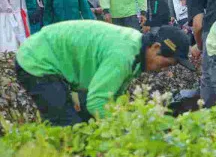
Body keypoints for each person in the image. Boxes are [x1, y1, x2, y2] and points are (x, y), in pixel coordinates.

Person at [15, 21, 194, 126]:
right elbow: (97, 102)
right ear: (155, 48)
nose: (166, 69)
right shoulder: (123, 56)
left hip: (54, 61)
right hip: (38, 60)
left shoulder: (136, 52)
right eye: (168, 63)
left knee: (84, 121)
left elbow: (111, 97)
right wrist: (124, 128)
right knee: (69, 127)